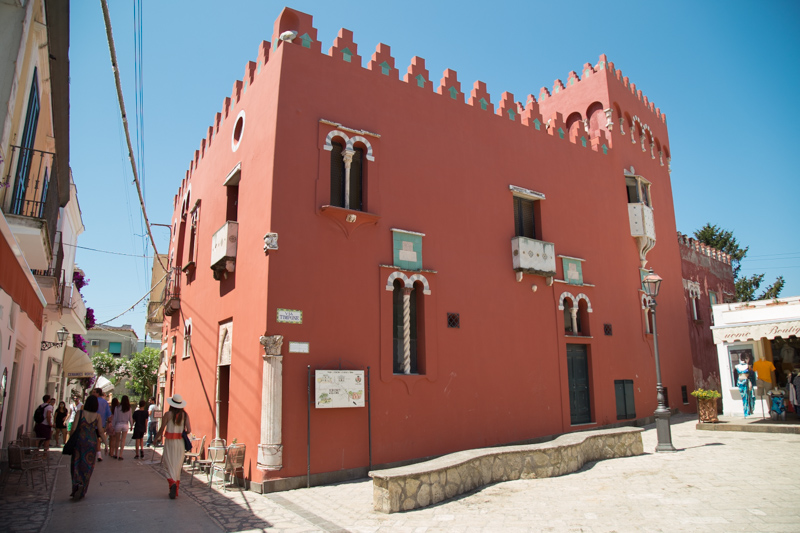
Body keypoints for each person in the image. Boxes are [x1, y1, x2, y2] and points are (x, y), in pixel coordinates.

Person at [69, 393, 107, 500]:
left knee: (76, 464)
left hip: (79, 441)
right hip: (91, 443)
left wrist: (71, 439)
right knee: (88, 466)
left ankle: (76, 485)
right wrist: (106, 444)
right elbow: (100, 431)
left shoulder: (80, 413)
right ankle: (83, 487)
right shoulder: (97, 416)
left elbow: (73, 429)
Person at [155, 394, 191, 499]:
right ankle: (175, 490)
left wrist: (156, 438)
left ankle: (172, 483)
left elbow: (162, 428)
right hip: (180, 443)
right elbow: (189, 430)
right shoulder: (185, 415)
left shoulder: (168, 414)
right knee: (177, 466)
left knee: (168, 463)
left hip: (170, 442)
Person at [91, 388, 112, 461]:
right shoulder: (104, 402)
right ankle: (99, 454)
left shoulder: (93, 401)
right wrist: (108, 423)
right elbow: (108, 414)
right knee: (98, 439)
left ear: (98, 393)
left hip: (92, 423)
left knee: (95, 439)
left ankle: (97, 454)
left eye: (94, 392)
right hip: (101, 424)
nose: (93, 394)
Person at [112, 396, 133, 460]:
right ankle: (120, 455)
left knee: (117, 440)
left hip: (118, 424)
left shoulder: (117, 408)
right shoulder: (129, 408)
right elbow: (130, 418)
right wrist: (131, 425)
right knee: (123, 440)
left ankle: (116, 454)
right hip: (125, 424)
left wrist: (113, 425)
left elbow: (115, 417)